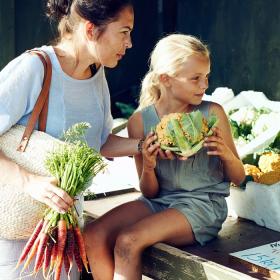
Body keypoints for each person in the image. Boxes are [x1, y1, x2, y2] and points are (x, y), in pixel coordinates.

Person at [84, 34, 246, 280]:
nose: (204, 85)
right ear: (165, 79)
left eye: (206, 77)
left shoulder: (212, 112)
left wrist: (225, 154)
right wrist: (148, 167)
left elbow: (239, 176)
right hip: (158, 201)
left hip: (202, 206)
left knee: (128, 241)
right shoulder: (140, 122)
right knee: (92, 234)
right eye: (195, 79)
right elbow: (149, 192)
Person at [0, 0, 141, 279]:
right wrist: (30, 182)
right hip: (21, 237)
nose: (130, 43)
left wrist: (143, 147)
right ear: (91, 29)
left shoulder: (96, 75)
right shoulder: (34, 67)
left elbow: (97, 144)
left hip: (67, 234)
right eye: (124, 32)